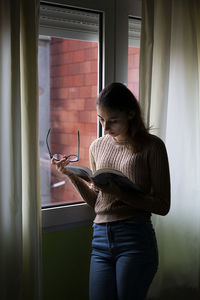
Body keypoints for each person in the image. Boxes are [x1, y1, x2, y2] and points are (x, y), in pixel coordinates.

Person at [51, 82, 171, 300]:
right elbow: (98, 203)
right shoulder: (97, 146)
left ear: (131, 114)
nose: (105, 127)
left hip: (134, 238)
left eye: (113, 120)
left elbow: (163, 206)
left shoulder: (153, 147)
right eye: (101, 119)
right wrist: (71, 175)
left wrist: (121, 194)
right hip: (100, 239)